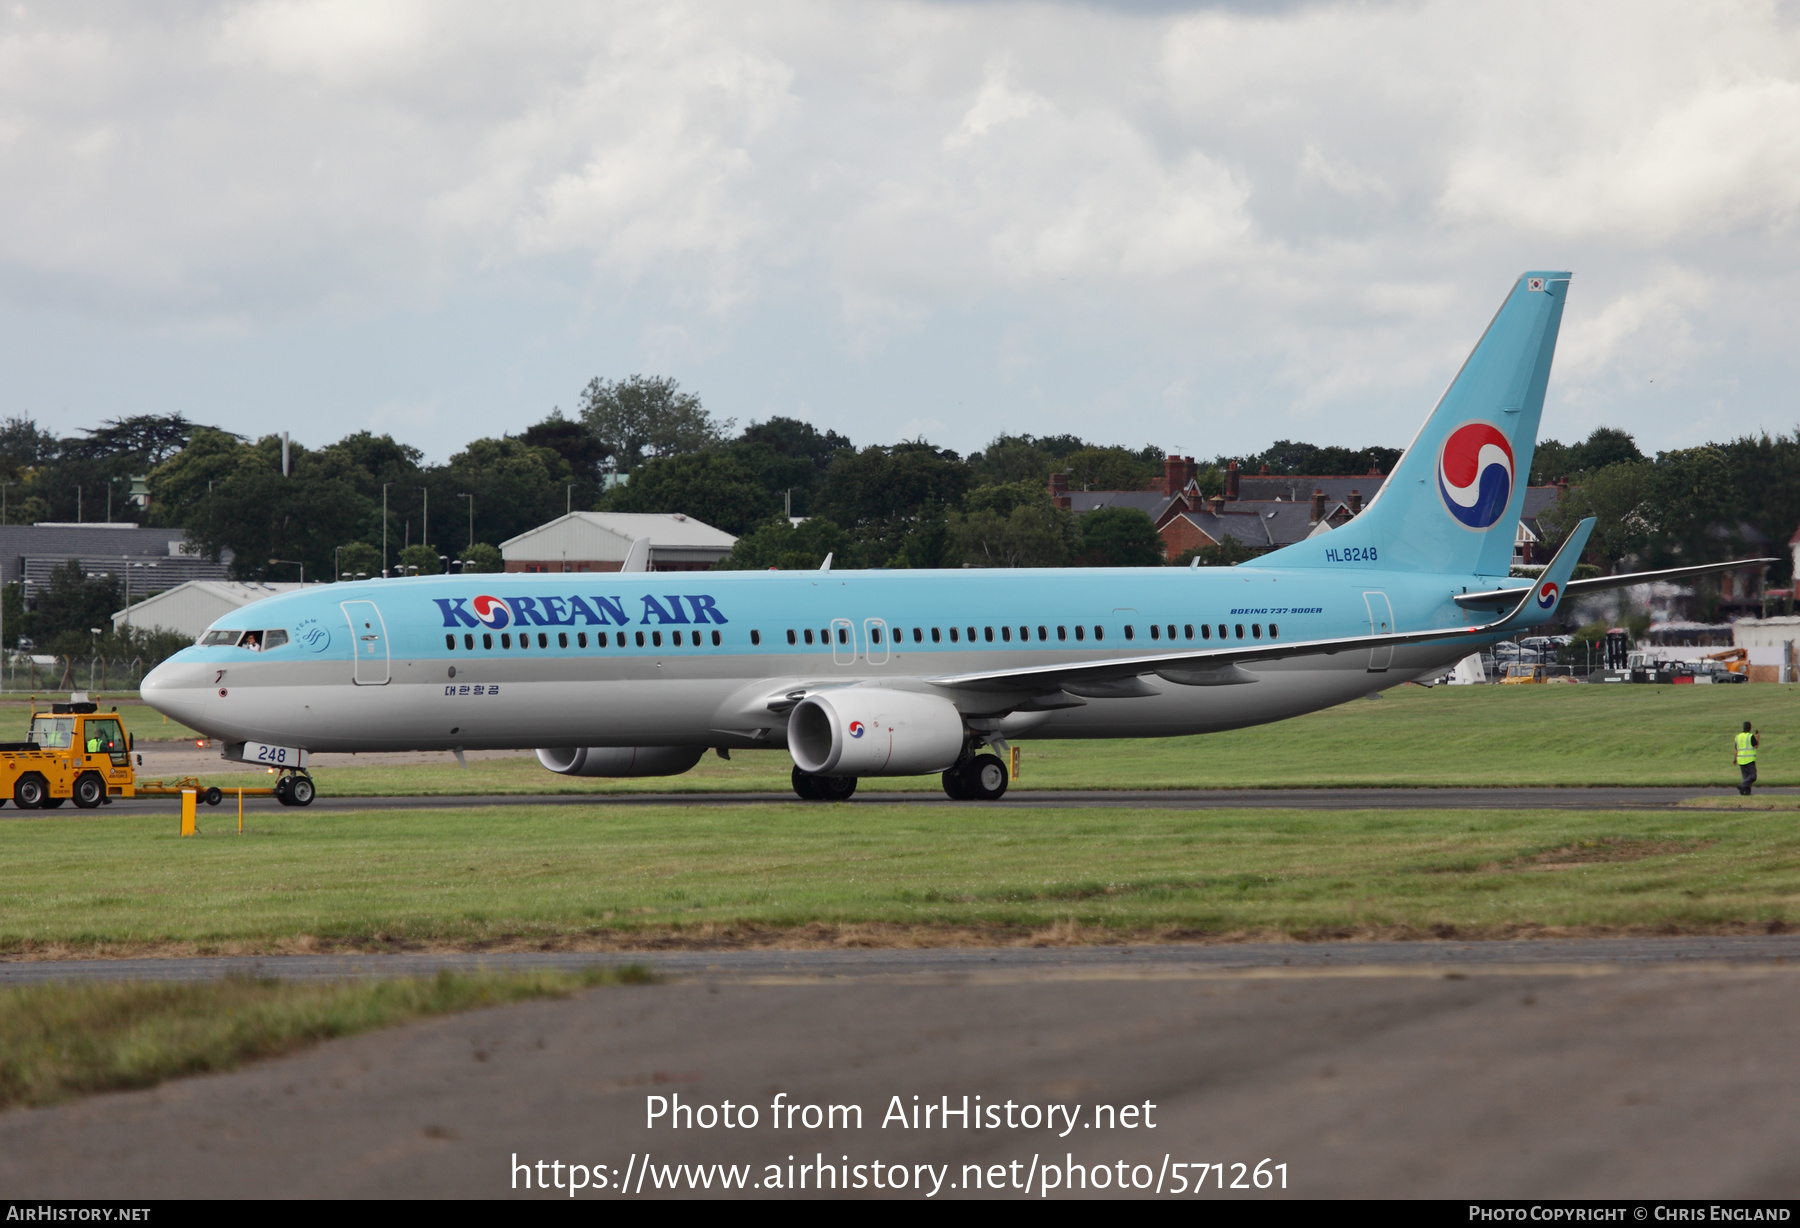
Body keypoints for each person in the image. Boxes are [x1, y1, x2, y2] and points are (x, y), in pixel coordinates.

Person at [1735, 721, 1759, 795]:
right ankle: (1742, 785)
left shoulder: (1738, 737)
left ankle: (1746, 793)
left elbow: (1736, 749)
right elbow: (1756, 746)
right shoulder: (1750, 736)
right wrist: (1757, 737)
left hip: (1741, 759)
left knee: (1746, 777)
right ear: (1750, 728)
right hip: (1749, 759)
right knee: (1753, 776)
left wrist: (1734, 758)